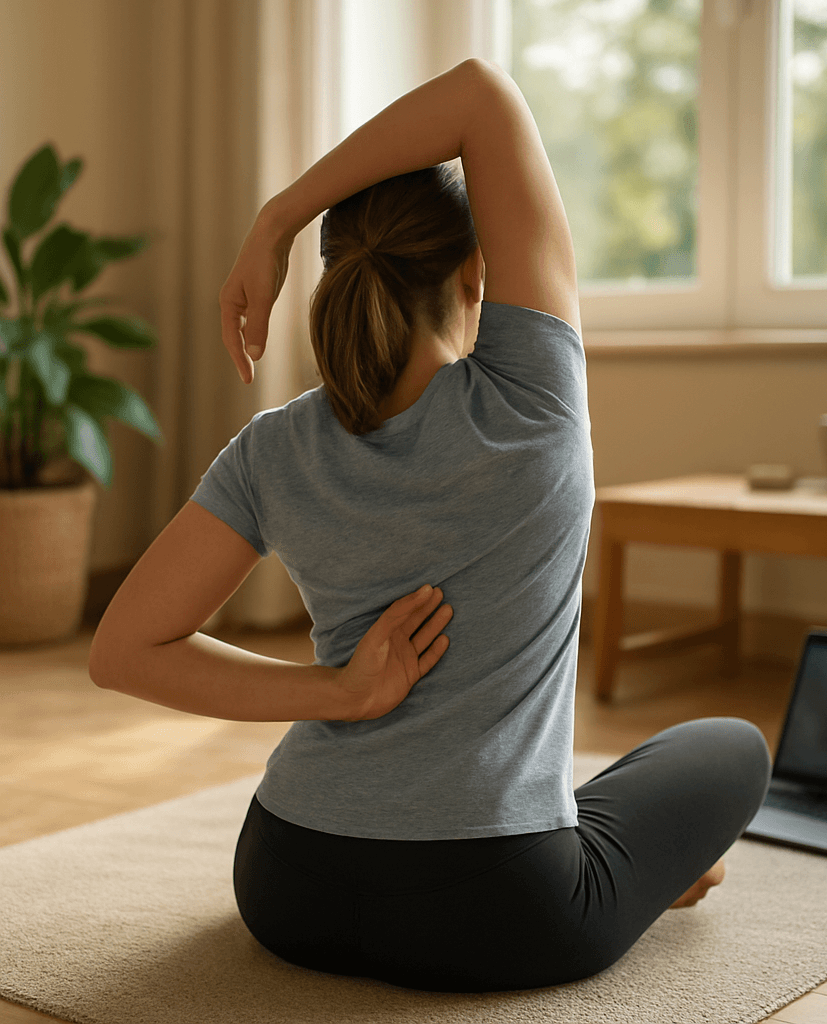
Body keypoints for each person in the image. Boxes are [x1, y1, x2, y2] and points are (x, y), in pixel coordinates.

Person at [101, 58, 771, 994]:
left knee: (616, 798)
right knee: (732, 745)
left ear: (336, 277)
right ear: (478, 274)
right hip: (496, 910)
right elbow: (481, 98)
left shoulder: (274, 447)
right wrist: (279, 217)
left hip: (289, 884)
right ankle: (630, 864)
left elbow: (123, 651)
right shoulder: (531, 400)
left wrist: (338, 692)